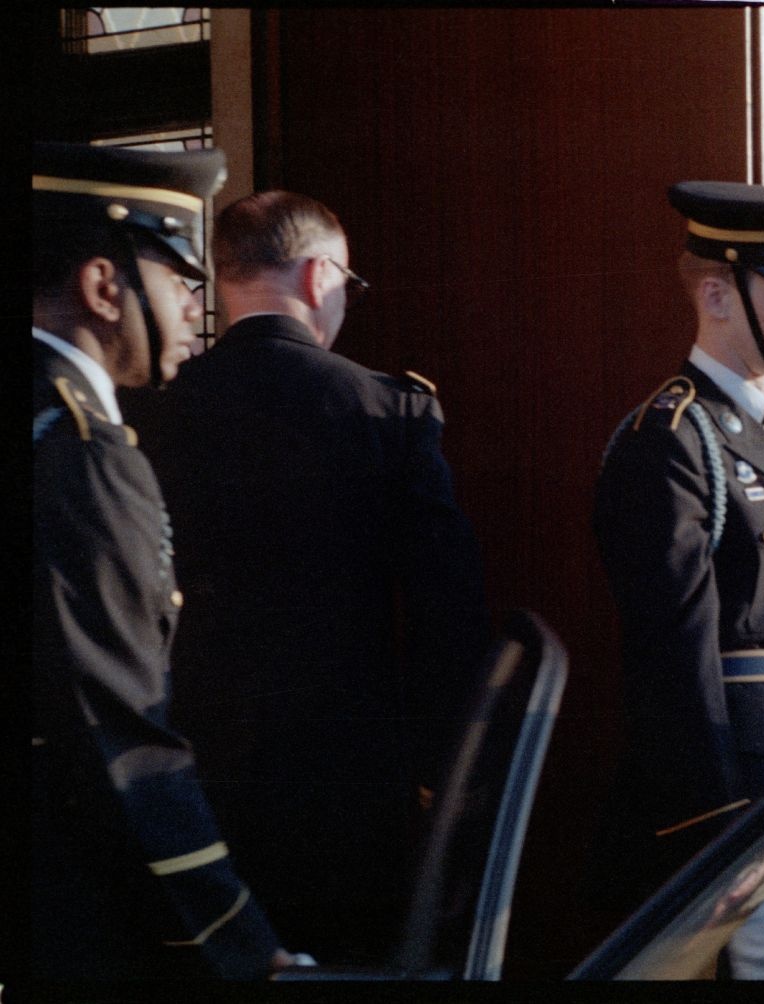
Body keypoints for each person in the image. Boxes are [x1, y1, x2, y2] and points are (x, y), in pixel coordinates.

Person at [121, 190, 492, 965]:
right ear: (322, 277)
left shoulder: (146, 416)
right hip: (348, 795)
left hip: (189, 788)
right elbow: (445, 616)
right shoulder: (388, 411)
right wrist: (444, 782)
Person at [31, 141, 309, 978]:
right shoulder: (82, 453)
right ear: (104, 286)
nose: (197, 308)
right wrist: (240, 943)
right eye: (180, 280)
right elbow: (116, 733)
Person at [591, 181, 764, 976]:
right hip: (733, 793)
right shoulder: (669, 440)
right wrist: (726, 868)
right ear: (717, 293)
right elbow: (673, 665)